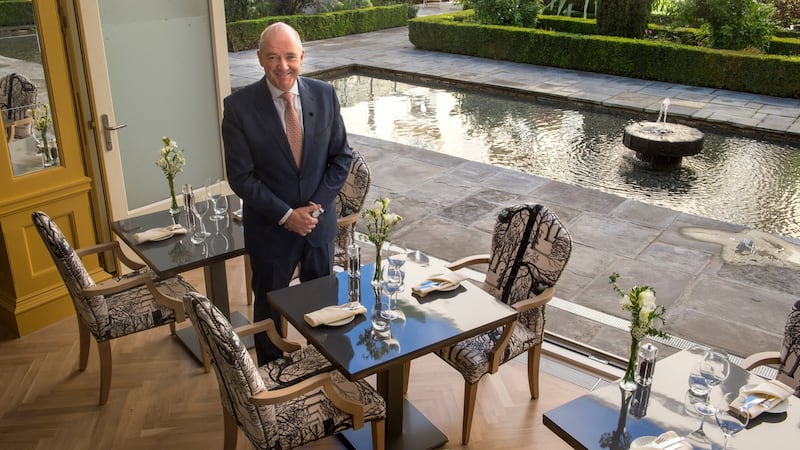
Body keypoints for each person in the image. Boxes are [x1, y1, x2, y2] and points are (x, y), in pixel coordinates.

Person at [222, 22, 352, 365]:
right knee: (268, 311)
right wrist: (286, 216)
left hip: (317, 227)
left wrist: (314, 210)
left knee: (325, 307)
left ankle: (324, 369)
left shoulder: (325, 95)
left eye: (290, 57)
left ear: (302, 57)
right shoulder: (238, 108)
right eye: (273, 57)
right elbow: (241, 177)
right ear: (259, 58)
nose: (283, 66)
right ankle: (272, 379)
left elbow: (341, 158)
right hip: (270, 230)